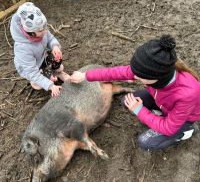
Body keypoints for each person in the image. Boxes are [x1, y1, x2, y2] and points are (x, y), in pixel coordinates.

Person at [70, 35, 200, 151]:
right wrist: (85, 75)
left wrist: (139, 110)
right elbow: (117, 72)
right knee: (126, 101)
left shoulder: (187, 94)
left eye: (138, 75)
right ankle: (159, 115)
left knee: (144, 142)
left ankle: (187, 132)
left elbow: (168, 128)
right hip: (161, 100)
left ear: (155, 77)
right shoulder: (153, 72)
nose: (134, 76)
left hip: (183, 119)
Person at [10, 2, 70, 97]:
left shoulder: (40, 29)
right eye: (41, 31)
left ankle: (57, 73)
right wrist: (50, 86)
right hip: (32, 68)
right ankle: (42, 79)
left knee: (56, 57)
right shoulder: (23, 48)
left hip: (42, 56)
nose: (45, 31)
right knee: (38, 83)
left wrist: (55, 46)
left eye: (45, 27)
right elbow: (32, 72)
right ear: (31, 33)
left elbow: (50, 38)